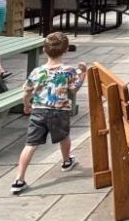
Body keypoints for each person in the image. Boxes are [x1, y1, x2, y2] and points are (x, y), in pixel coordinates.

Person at [10, 32, 87, 195]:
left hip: (38, 110)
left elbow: (27, 91)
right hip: (59, 111)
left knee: (30, 144)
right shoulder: (69, 71)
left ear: (44, 50)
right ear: (66, 50)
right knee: (63, 136)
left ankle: (19, 179)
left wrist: (26, 104)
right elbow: (73, 89)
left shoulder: (37, 71)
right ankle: (66, 161)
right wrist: (83, 74)